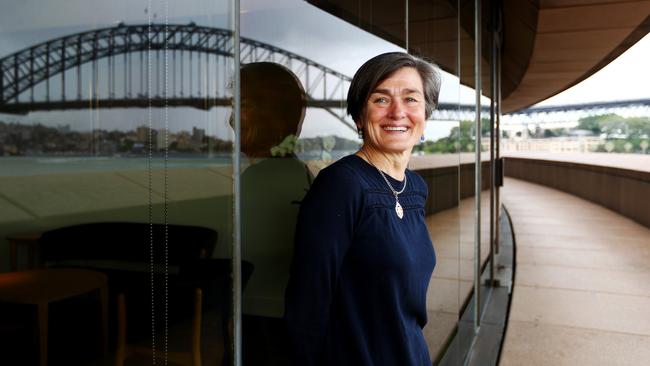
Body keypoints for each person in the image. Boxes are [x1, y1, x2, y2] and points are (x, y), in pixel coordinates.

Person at [284, 52, 441, 365]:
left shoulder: (415, 188)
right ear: (358, 116)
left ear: (425, 113)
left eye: (411, 99)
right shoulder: (341, 186)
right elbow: (307, 306)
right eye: (381, 99)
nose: (398, 112)